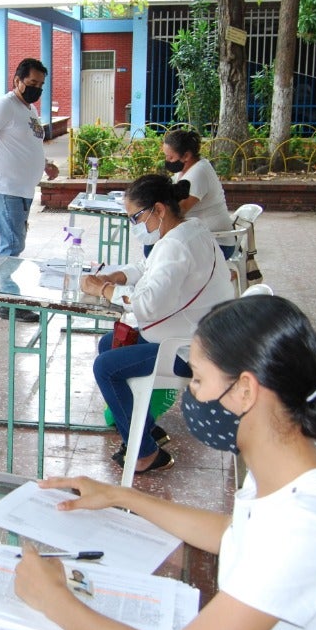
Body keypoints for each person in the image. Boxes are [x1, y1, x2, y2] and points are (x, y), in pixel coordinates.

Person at [15, 294, 316, 630]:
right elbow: (236, 534)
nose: (191, 395)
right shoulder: (298, 464)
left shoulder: (306, 525)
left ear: (245, 391)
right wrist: (119, 496)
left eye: (199, 381)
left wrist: (52, 597)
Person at [80, 174, 236, 474]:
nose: (135, 226)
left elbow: (149, 305)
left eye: (136, 218)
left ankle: (145, 453)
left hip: (194, 350)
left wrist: (102, 289)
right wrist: (117, 277)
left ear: (160, 209)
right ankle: (145, 428)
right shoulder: (189, 230)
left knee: (106, 367)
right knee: (107, 344)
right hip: (201, 335)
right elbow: (147, 268)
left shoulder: (177, 246)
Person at [0, 58, 60, 322]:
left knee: (13, 244)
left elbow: (25, 145)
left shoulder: (28, 109)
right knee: (11, 245)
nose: (36, 88)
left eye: (40, 84)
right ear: (17, 81)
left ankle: (4, 297)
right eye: (31, 83)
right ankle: (7, 302)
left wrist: (44, 164)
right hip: (5, 188)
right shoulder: (5, 106)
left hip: (23, 190)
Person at [162, 129, 234, 258]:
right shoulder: (184, 169)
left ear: (186, 156)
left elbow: (179, 211)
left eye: (170, 157)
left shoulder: (198, 173)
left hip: (217, 243)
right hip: (201, 237)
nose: (167, 160)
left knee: (157, 250)